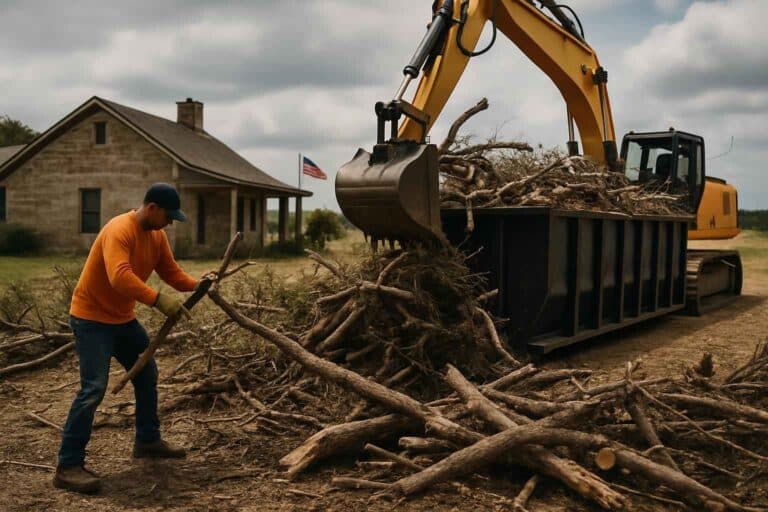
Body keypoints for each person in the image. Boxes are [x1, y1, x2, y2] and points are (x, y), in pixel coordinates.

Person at [54, 183, 209, 494]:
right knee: (93, 388)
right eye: (168, 216)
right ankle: (68, 466)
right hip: (91, 319)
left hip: (122, 320)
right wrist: (158, 300)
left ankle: (147, 440)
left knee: (147, 372)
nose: (169, 223)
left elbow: (172, 272)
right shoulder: (119, 230)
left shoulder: (157, 236)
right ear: (152, 208)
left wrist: (198, 284)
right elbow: (119, 276)